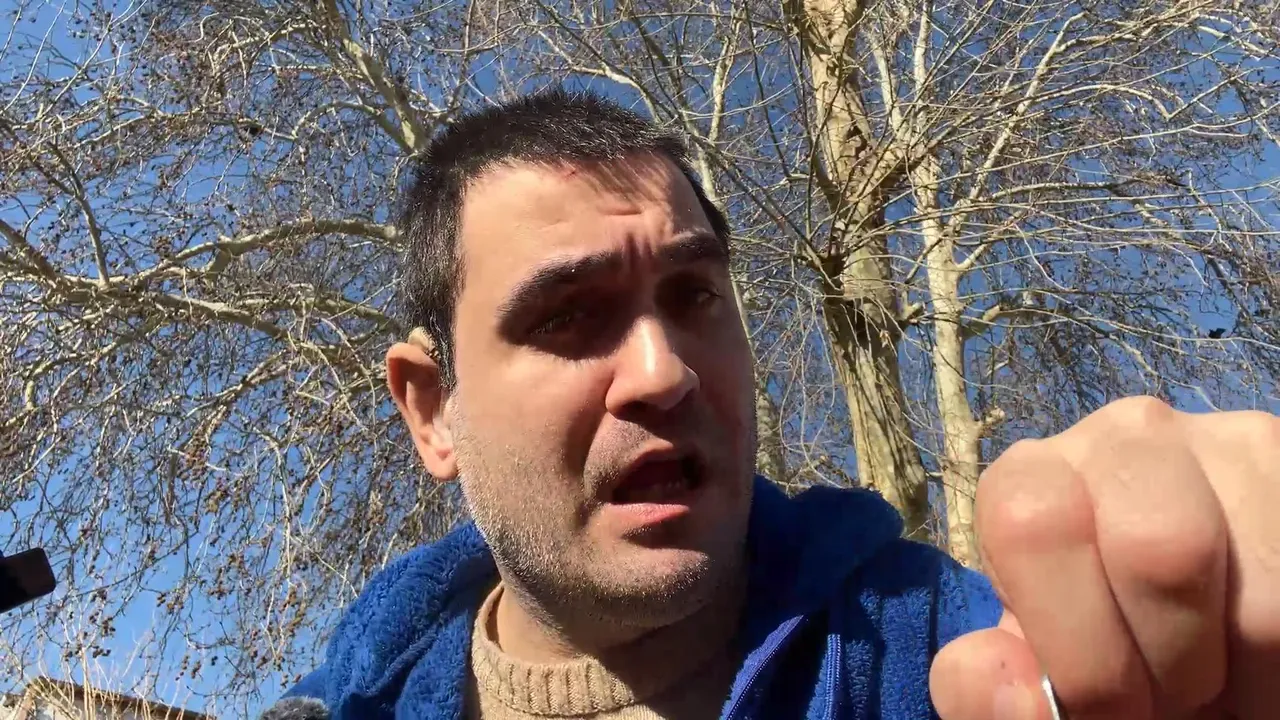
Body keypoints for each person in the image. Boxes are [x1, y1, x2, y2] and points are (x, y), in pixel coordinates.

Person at [261, 88, 1280, 720]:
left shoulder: (952, 659)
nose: (661, 371)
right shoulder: (339, 705)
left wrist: (1200, 643)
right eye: (568, 316)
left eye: (694, 296)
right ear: (432, 410)